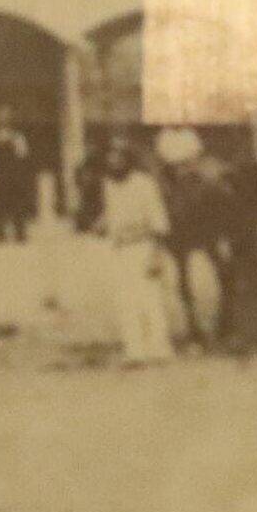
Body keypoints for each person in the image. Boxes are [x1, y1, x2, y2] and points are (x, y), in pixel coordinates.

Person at [96, 135, 176, 368]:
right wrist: (102, 224)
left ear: (128, 159)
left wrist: (156, 255)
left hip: (143, 247)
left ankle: (159, 349)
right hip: (120, 249)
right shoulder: (108, 185)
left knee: (149, 298)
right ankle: (135, 351)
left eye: (119, 156)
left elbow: (159, 222)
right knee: (125, 299)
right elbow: (112, 215)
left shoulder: (144, 183)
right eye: (110, 157)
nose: (114, 161)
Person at [0, 108, 33, 243]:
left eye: (7, 118)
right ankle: (0, 234)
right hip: (0, 174)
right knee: (0, 203)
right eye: (2, 119)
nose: (4, 121)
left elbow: (23, 155)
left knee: (17, 203)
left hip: (14, 174)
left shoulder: (18, 137)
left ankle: (20, 234)